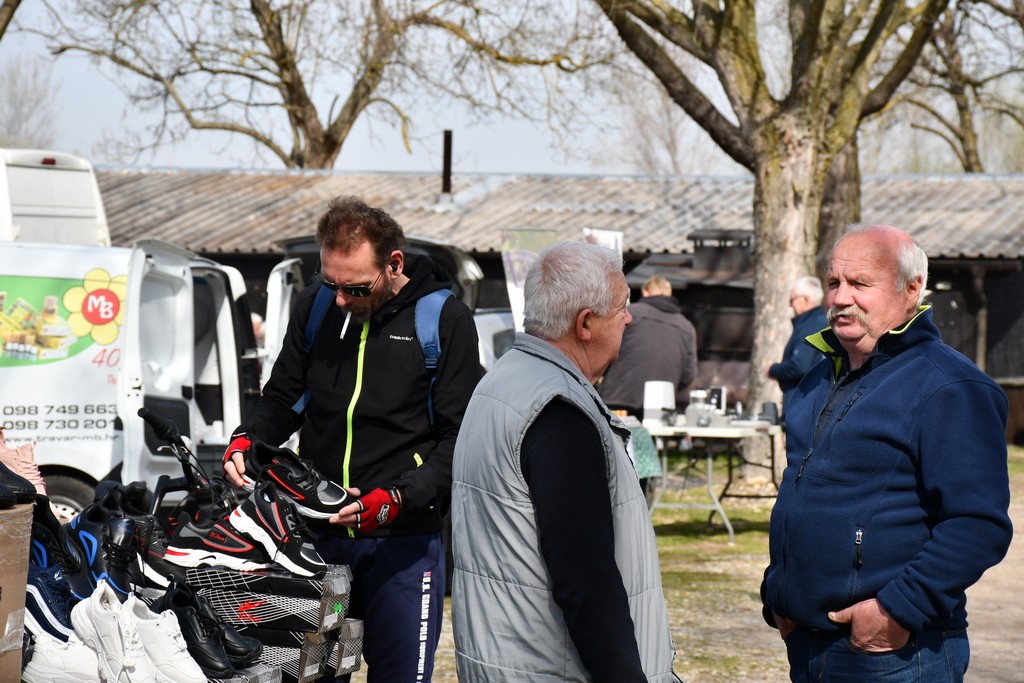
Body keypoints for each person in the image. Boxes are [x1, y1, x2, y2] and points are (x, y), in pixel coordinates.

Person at [222, 196, 481, 683]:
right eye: (331, 282)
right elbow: (283, 399)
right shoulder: (316, 307)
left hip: (400, 547)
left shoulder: (443, 321)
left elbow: (460, 439)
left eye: (356, 287)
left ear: (394, 264)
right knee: (312, 678)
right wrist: (246, 439)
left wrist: (399, 497)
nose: (341, 298)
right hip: (315, 547)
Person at [760, 224, 1013, 682]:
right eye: (834, 282)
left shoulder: (950, 387)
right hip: (808, 642)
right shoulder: (816, 378)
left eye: (860, 284)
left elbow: (978, 524)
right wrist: (777, 593)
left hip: (895, 654)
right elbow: (800, 493)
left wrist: (899, 608)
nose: (839, 298)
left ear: (912, 289)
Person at [450, 241, 683, 682]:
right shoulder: (559, 411)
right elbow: (586, 580)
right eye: (622, 309)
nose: (630, 318)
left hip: (504, 660)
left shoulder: (502, 380)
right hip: (550, 668)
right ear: (586, 324)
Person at [598, 274, 698, 417]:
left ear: (645, 292)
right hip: (662, 408)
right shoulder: (686, 326)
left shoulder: (630, 313)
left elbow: (606, 346)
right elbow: (689, 374)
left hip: (619, 399)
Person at [766, 275, 828, 421]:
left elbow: (800, 365)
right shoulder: (818, 322)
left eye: (792, 300)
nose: (791, 305)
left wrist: (773, 369)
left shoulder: (811, 325)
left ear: (806, 299)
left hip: (803, 407)